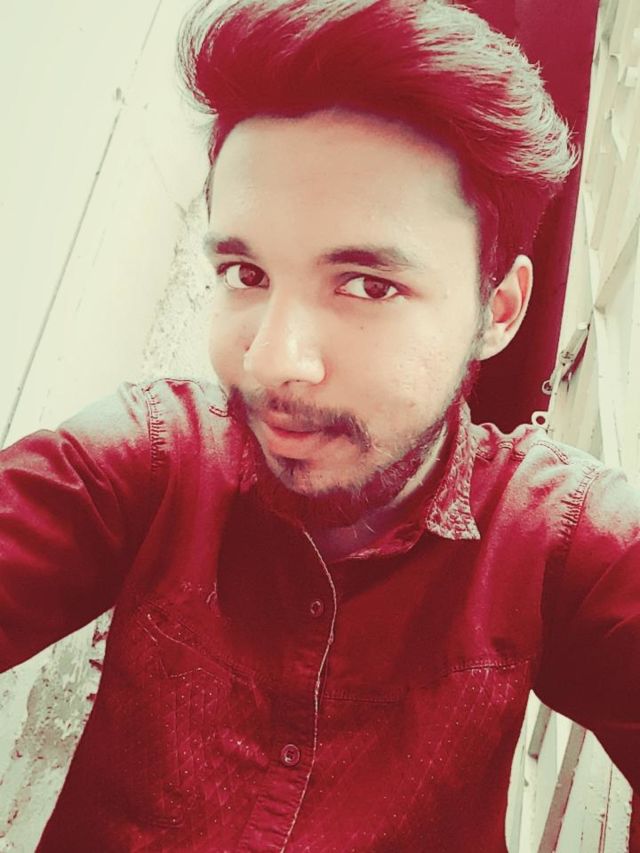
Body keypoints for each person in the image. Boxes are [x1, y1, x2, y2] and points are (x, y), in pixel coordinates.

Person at [1, 0, 638, 849]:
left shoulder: (557, 540)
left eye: (368, 285)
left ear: (499, 308)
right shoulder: (152, 458)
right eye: (245, 271)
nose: (272, 362)